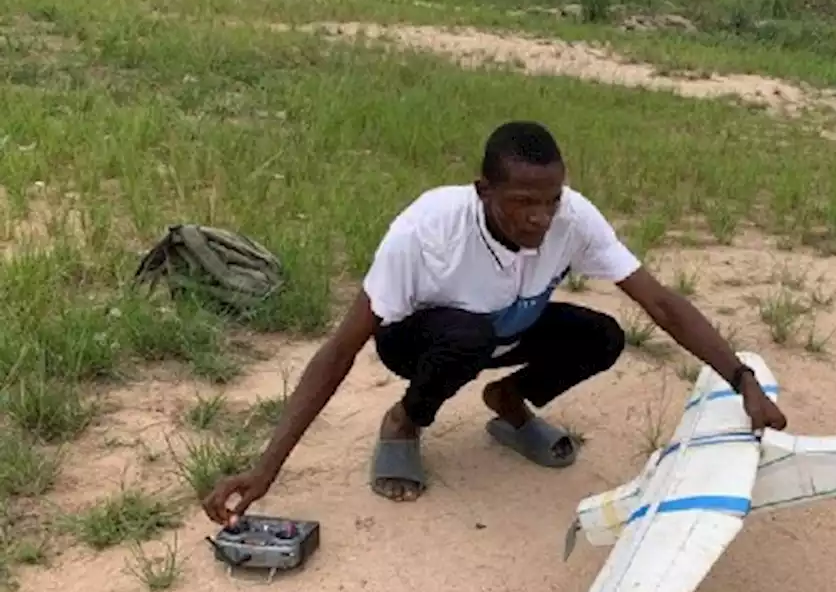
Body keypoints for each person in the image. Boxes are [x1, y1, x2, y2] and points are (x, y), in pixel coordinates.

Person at [201, 120, 788, 527]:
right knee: (467, 336)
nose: (540, 218)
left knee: (602, 336)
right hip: (422, 341)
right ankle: (404, 422)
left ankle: (508, 401)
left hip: (508, 326)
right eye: (523, 203)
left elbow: (660, 304)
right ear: (484, 192)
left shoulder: (573, 218)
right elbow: (339, 349)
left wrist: (740, 378)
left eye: (551, 200)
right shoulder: (426, 231)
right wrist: (265, 467)